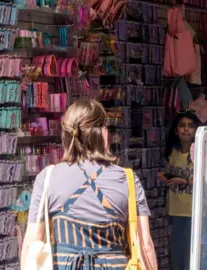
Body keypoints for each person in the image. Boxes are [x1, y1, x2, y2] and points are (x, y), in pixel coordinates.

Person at [21, 99, 158, 270]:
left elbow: (33, 241)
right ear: (101, 132)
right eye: (106, 127)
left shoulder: (48, 177)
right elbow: (145, 245)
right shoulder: (128, 179)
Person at [157, 111, 201, 270]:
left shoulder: (200, 152)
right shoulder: (172, 153)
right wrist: (165, 177)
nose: (186, 130)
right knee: (176, 252)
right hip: (175, 210)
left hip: (194, 211)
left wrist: (185, 181)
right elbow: (170, 173)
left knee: (191, 255)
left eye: (190, 126)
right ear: (176, 130)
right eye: (182, 126)